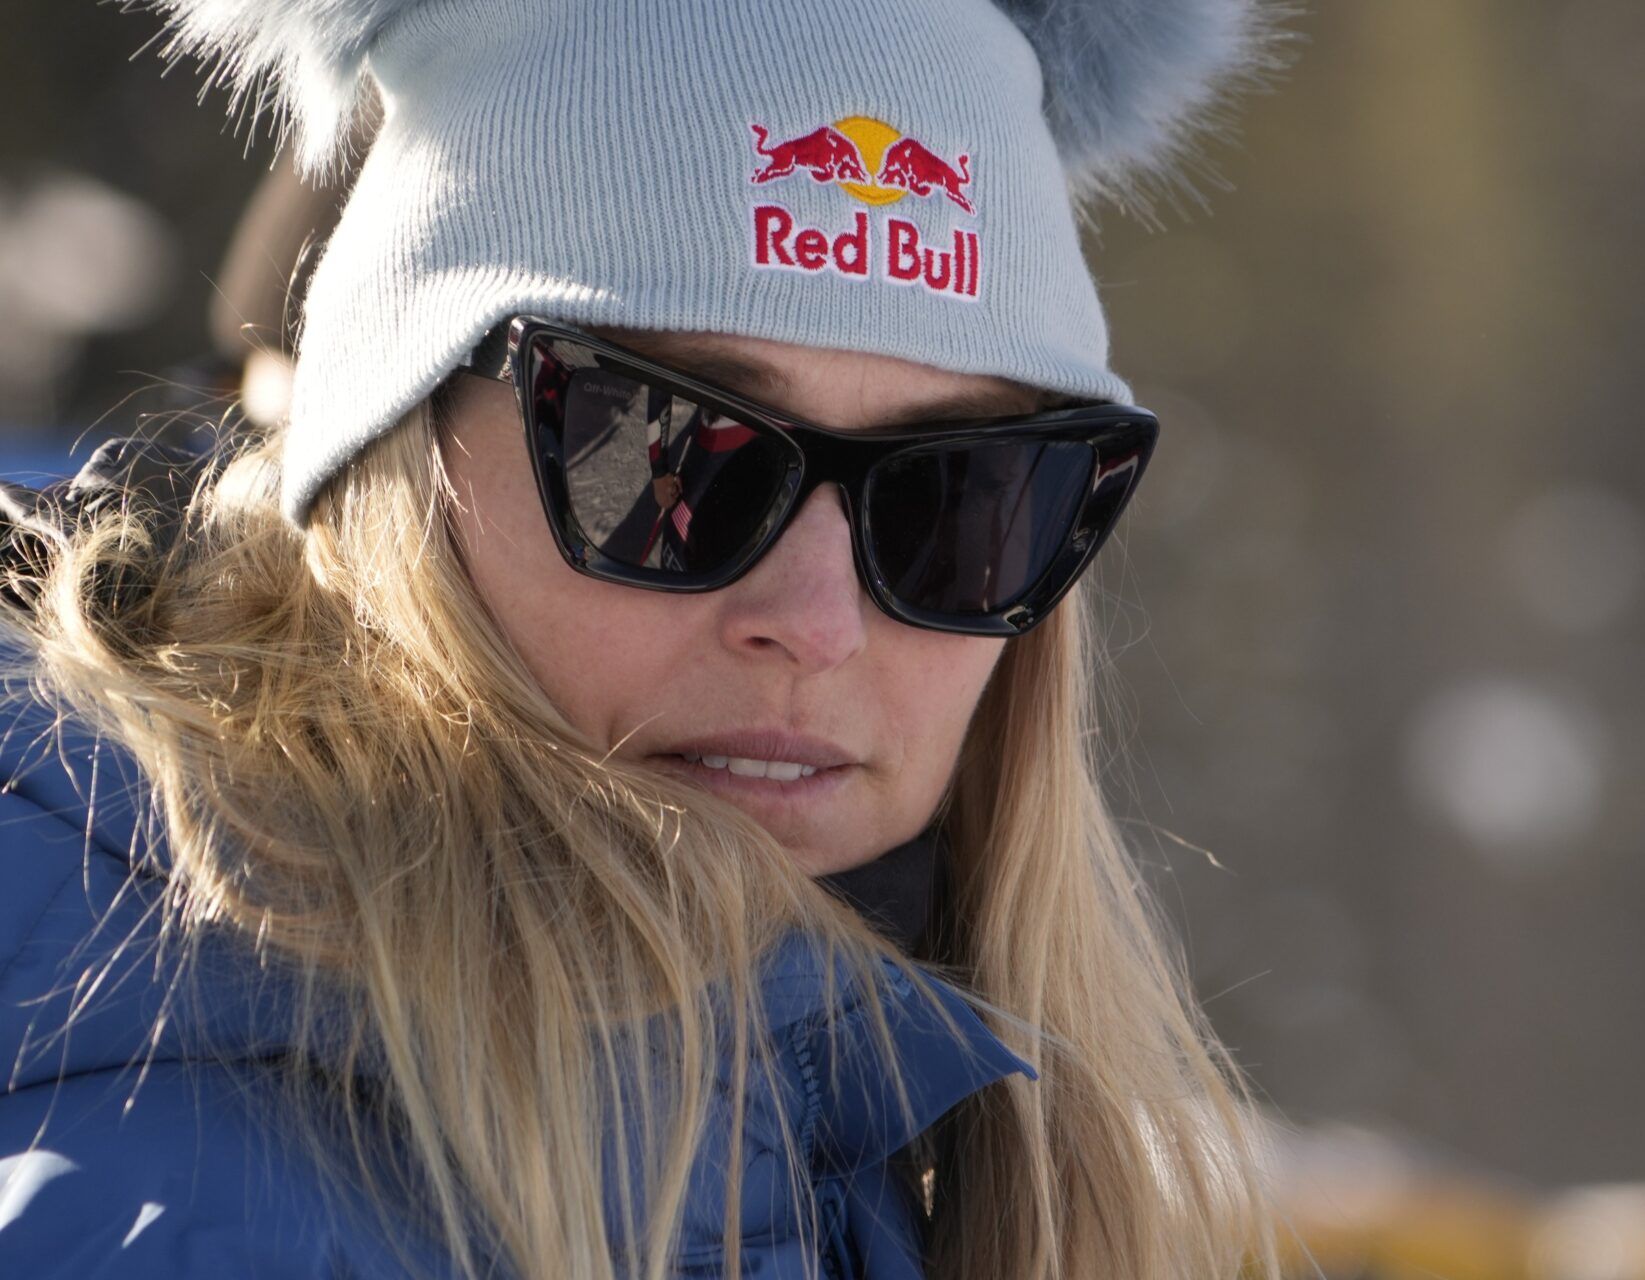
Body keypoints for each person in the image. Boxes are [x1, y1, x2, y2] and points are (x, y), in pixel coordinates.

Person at [0, 0, 1305, 1276]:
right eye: (666, 458)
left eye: (958, 495)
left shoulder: (895, 1164)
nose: (815, 625)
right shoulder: (173, 1221)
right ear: (389, 456)